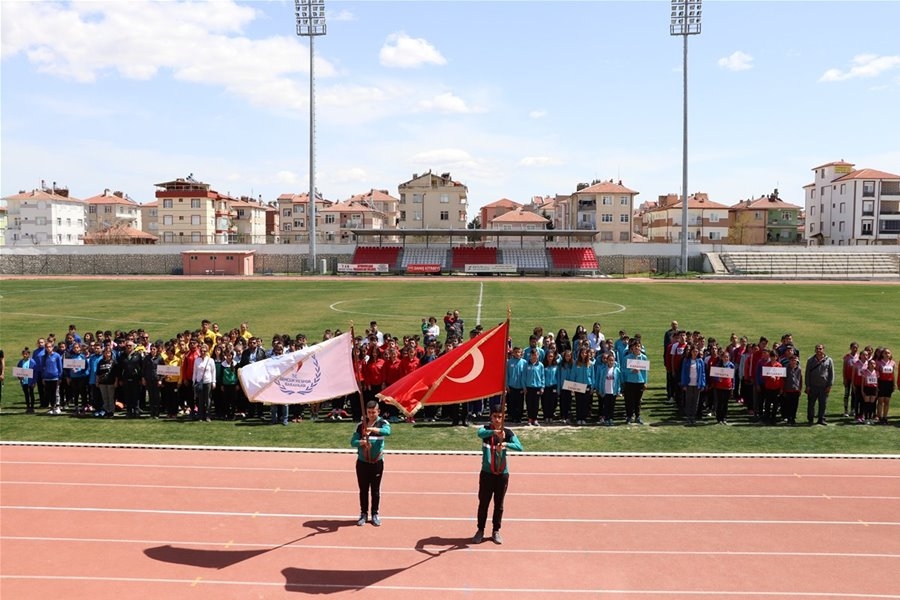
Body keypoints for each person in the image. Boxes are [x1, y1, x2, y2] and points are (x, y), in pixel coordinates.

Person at [473, 404, 523, 545]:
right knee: (483, 503)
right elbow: (480, 434)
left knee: (499, 505)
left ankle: (496, 530)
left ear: (503, 417)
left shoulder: (508, 433)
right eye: (494, 416)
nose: (497, 419)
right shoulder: (485, 430)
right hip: (487, 473)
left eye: (500, 417)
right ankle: (480, 530)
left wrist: (506, 444)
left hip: (502, 474)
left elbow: (520, 447)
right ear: (491, 417)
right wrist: (494, 432)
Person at [351, 400, 391, 527]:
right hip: (362, 463)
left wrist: (371, 429)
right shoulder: (360, 425)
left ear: (378, 411)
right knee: (363, 490)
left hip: (376, 463)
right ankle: (363, 513)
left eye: (373, 412)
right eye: (369, 412)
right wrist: (362, 442)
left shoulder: (383, 423)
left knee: (375, 490)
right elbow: (353, 442)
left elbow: (387, 432)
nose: (371, 415)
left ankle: (375, 514)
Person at [805, 344, 834, 426]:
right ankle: (810, 419)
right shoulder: (810, 360)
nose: (818, 350)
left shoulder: (829, 360)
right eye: (817, 349)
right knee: (811, 404)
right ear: (815, 350)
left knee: (823, 404)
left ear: (823, 349)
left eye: (820, 349)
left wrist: (829, 385)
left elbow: (831, 374)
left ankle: (821, 419)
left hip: (824, 387)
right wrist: (807, 385)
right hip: (813, 386)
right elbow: (807, 373)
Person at [16, 348, 37, 414]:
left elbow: (35, 373)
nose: (25, 355)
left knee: (31, 394)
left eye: (26, 354)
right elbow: (18, 371)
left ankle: (32, 407)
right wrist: (19, 377)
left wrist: (34, 382)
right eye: (24, 354)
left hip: (30, 381)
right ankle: (28, 407)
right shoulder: (20, 362)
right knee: (26, 394)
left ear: (29, 355)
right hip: (24, 381)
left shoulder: (32, 362)